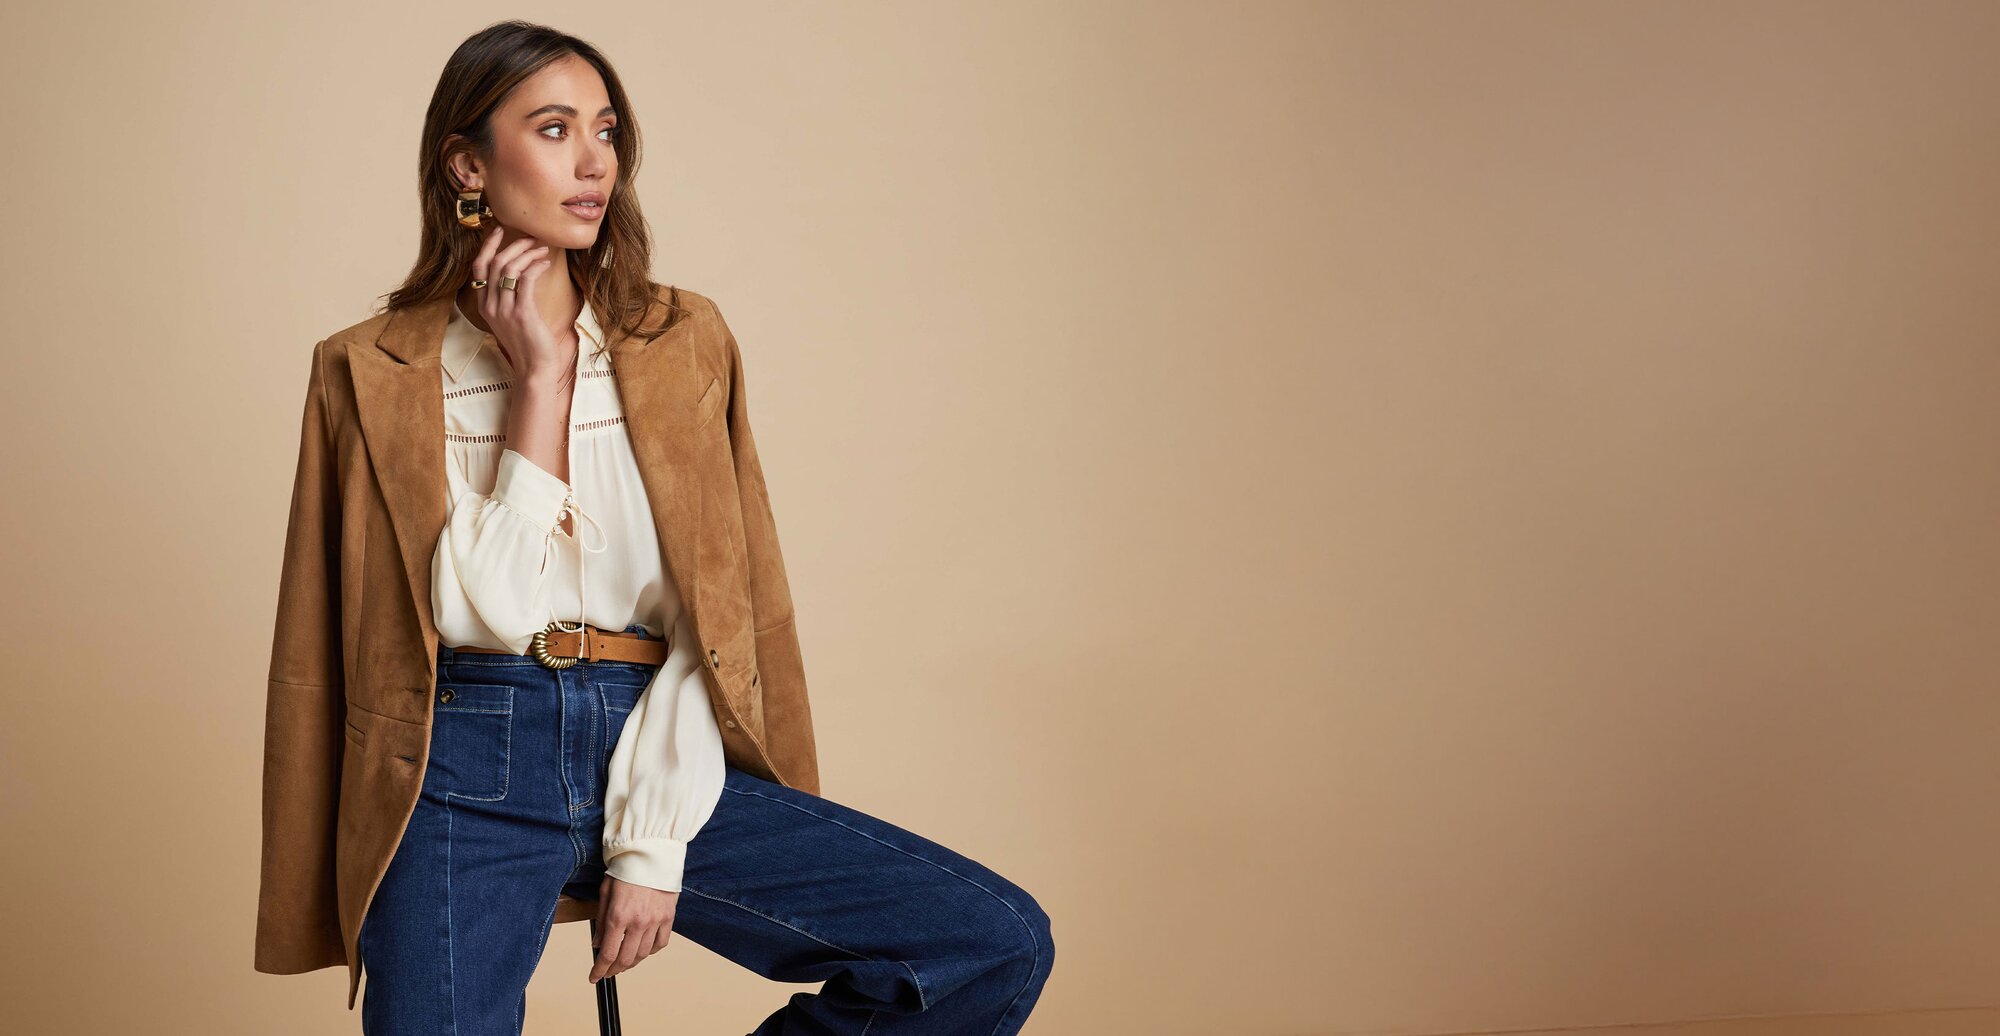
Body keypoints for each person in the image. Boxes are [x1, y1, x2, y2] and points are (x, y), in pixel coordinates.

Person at [252, 20, 1054, 1035]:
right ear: (467, 164)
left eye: (607, 130)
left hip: (652, 732)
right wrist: (540, 377)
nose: (596, 162)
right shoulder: (370, 369)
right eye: (553, 129)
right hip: (458, 765)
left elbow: (715, 612)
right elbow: (482, 611)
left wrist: (651, 841)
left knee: (986, 941)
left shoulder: (683, 340)